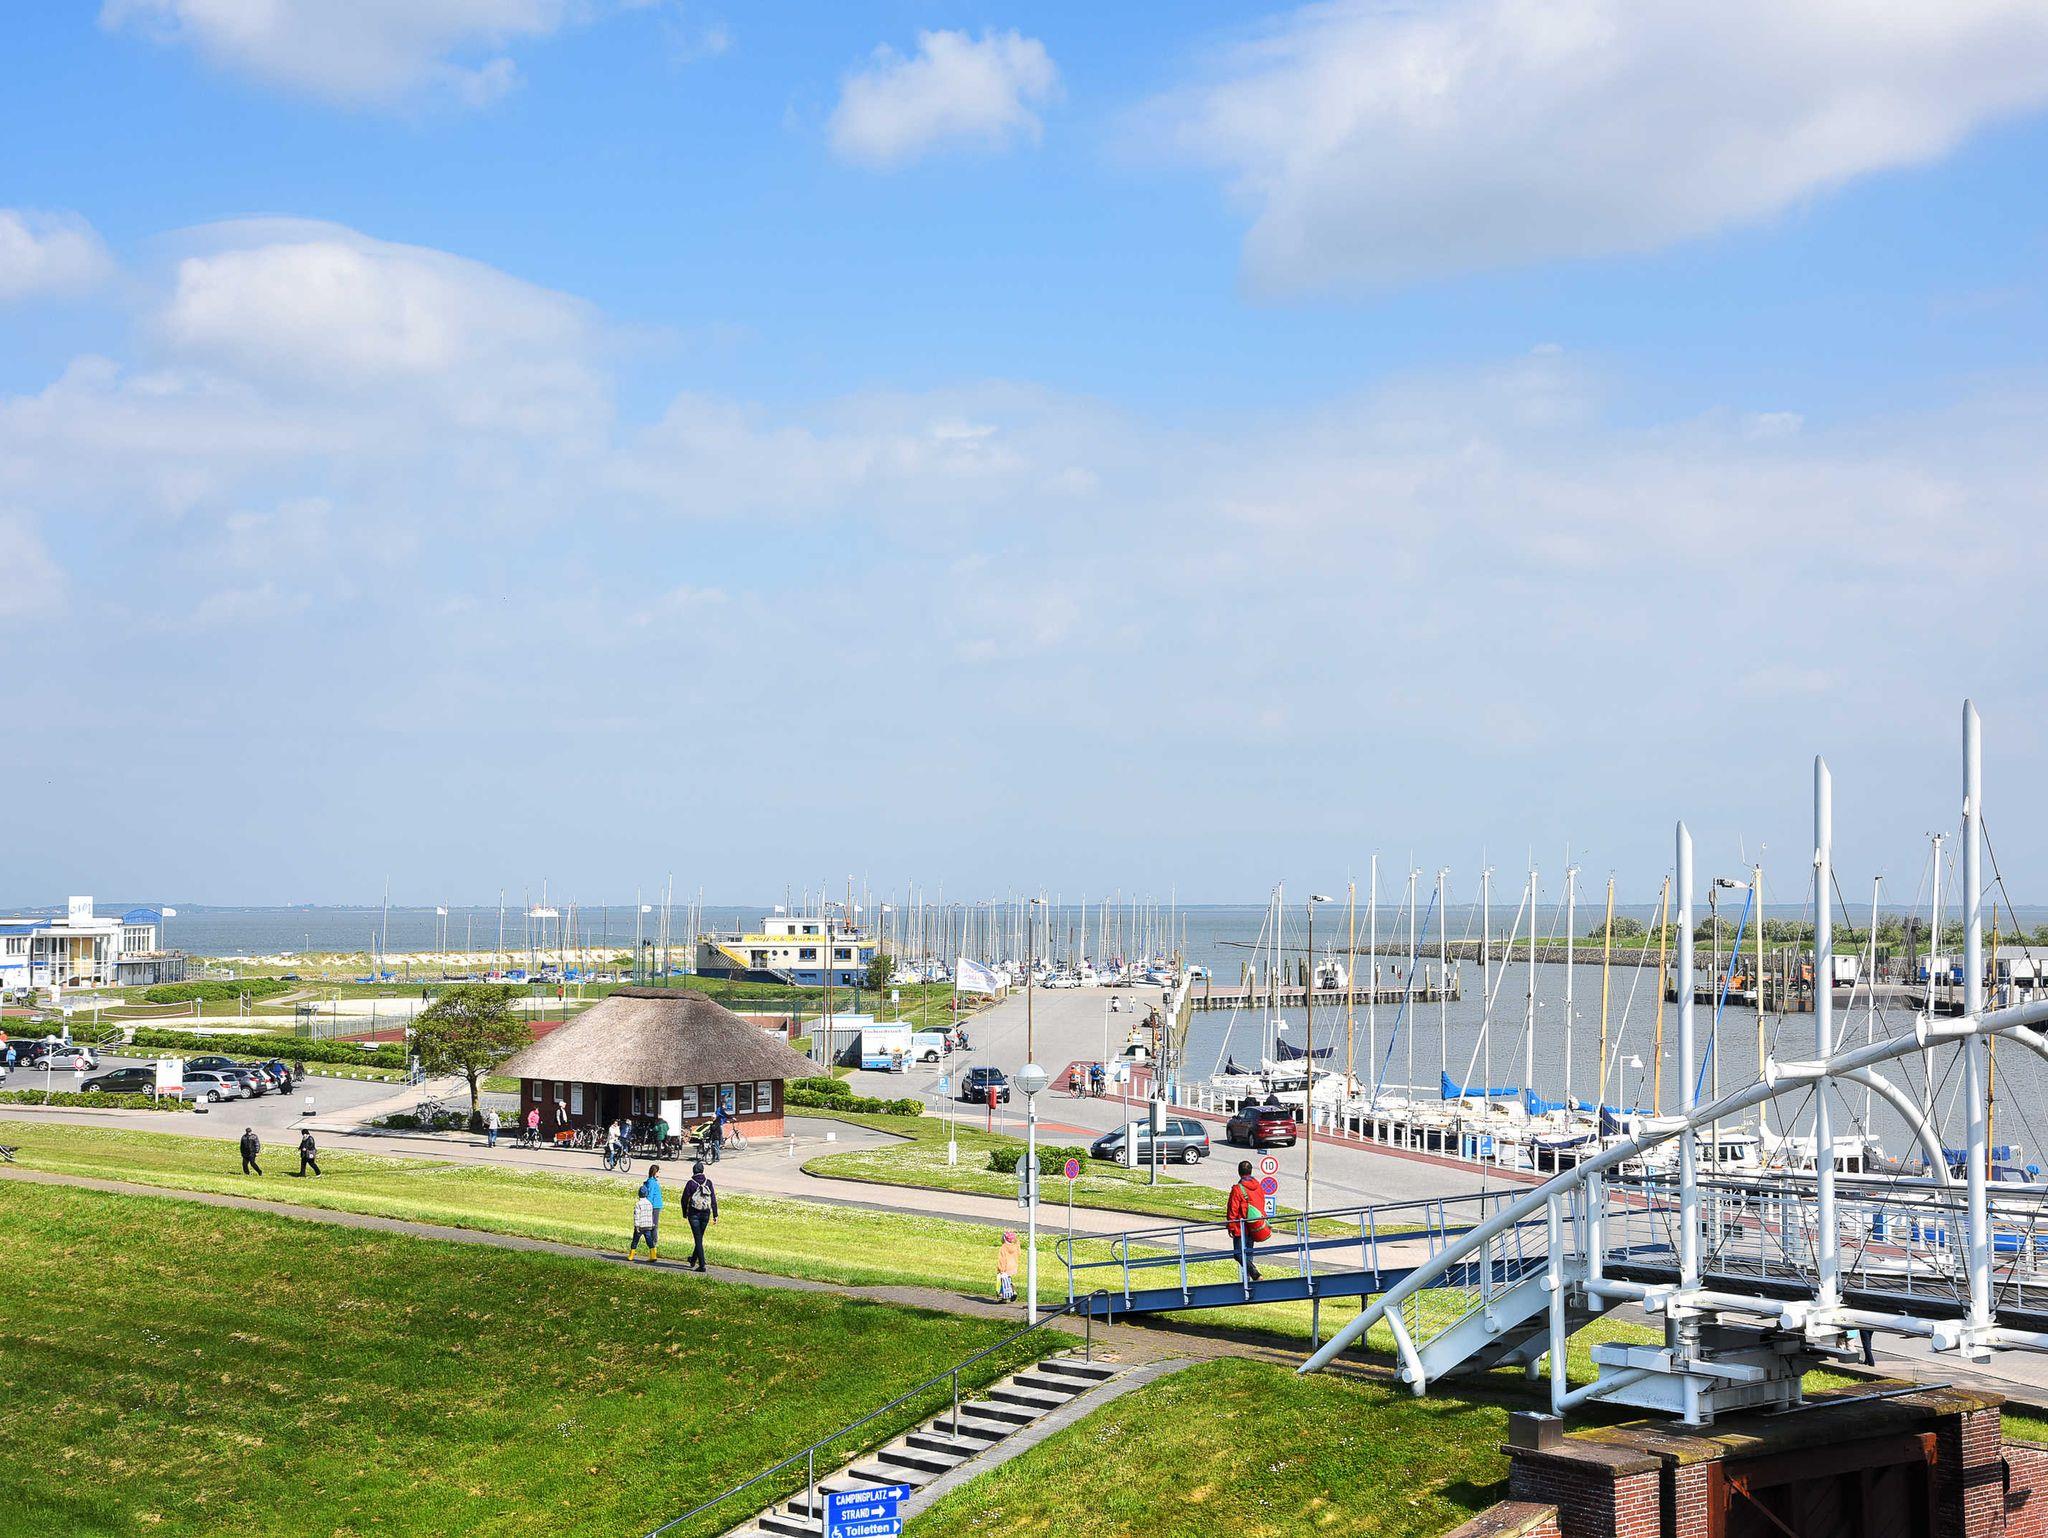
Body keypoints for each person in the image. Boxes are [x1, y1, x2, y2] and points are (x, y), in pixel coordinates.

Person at [1226, 1160, 1266, 1283]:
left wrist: (1231, 1226)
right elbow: (1261, 1203)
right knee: (1248, 1253)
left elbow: (1233, 1209)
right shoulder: (1258, 1186)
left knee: (1238, 1254)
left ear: (1239, 1172)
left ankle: (1255, 1275)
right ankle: (1249, 1281)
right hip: (1254, 1225)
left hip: (1241, 1227)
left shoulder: (1238, 1189)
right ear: (1251, 1171)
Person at [682, 1159, 718, 1272]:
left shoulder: (691, 1183)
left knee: (698, 1239)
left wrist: (684, 1213)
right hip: (706, 1214)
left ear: (693, 1171)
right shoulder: (708, 1182)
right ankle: (693, 1259)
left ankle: (702, 1265)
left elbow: (684, 1199)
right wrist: (715, 1214)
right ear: (703, 1170)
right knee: (699, 1238)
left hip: (694, 1214)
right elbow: (713, 1199)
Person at [627, 1186, 659, 1262]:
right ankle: (653, 1255)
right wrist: (651, 1224)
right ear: (647, 1194)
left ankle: (631, 1255)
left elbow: (636, 1215)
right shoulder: (649, 1204)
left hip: (640, 1226)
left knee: (635, 1240)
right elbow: (650, 1215)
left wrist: (636, 1225)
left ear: (639, 1194)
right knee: (649, 1240)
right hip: (648, 1226)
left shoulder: (638, 1204)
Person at [996, 1230, 1020, 1303]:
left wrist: (1001, 1269)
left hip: (1005, 1267)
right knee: (1008, 1280)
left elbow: (1002, 1259)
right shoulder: (1015, 1246)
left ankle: (1005, 1296)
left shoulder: (1003, 1248)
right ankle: (1012, 1292)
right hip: (1013, 1266)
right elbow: (1019, 1253)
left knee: (1003, 1281)